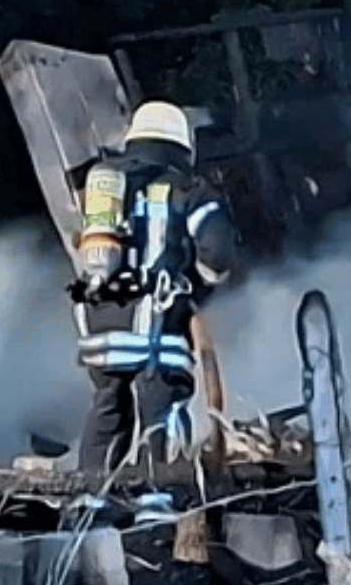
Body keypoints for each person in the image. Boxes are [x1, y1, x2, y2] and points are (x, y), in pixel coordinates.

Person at [70, 101, 239, 482]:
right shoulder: (189, 189)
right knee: (161, 411)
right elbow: (218, 254)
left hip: (99, 325)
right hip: (157, 326)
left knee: (108, 407)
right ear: (183, 145)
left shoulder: (105, 184)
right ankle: (159, 507)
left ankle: (90, 499)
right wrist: (196, 291)